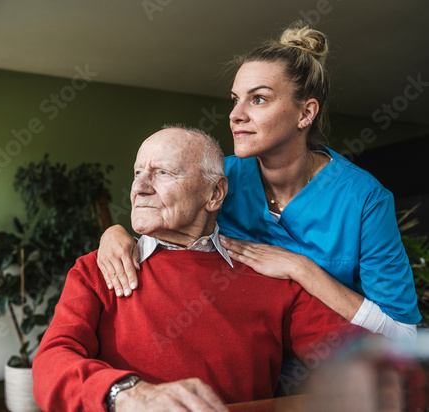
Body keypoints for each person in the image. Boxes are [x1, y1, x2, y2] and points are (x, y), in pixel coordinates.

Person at [97, 21, 421, 342]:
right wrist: (114, 234)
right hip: (245, 361)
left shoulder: (364, 199)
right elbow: (163, 232)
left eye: (258, 99)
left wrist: (301, 269)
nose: (235, 115)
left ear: (305, 114)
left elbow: (404, 334)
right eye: (235, 99)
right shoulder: (219, 178)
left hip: (333, 371)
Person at [32, 127, 364, 412]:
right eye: (137, 173)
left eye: (163, 173)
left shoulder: (268, 274)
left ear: (215, 193)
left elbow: (359, 358)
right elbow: (52, 364)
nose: (140, 187)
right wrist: (129, 394)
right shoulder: (96, 269)